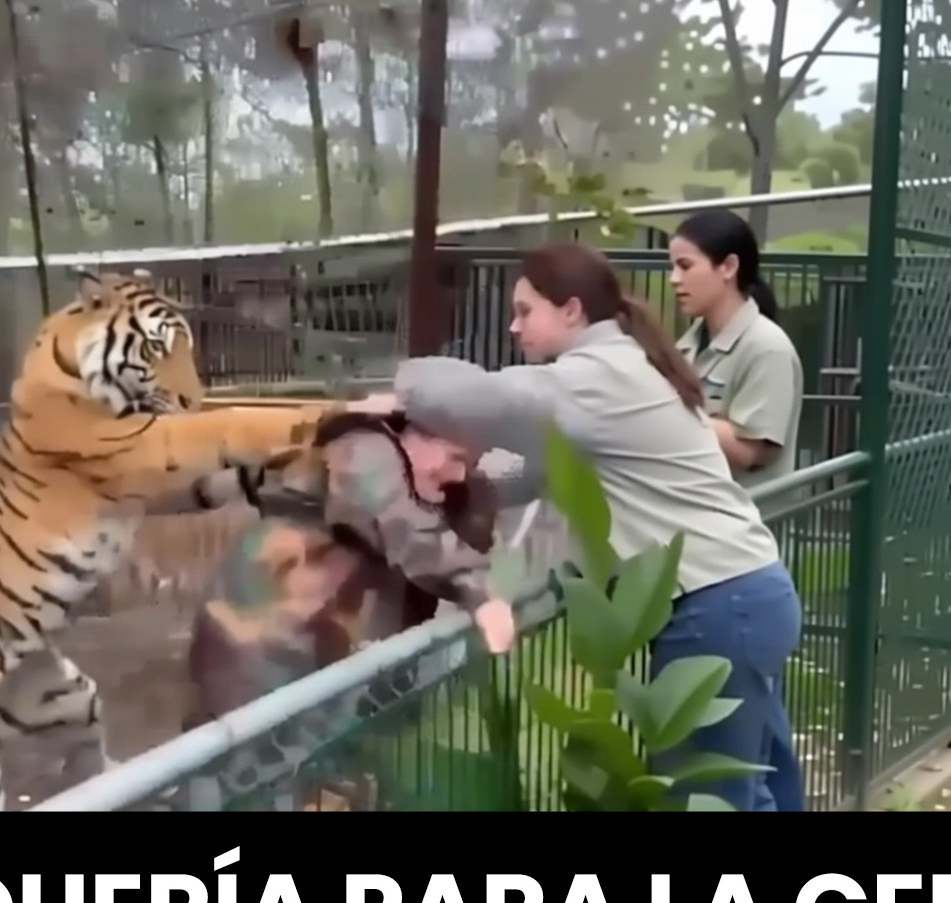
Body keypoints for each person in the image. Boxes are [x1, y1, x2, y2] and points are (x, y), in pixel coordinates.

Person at [360, 242, 806, 812]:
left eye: (525, 311)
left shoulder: (594, 377)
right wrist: (451, 478)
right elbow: (525, 475)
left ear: (571, 310)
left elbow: (470, 397)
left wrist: (390, 400)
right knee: (756, 789)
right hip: (746, 593)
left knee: (708, 799)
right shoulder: (624, 366)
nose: (513, 326)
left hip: (715, 604)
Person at [182, 410, 518, 728]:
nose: (457, 474)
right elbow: (409, 533)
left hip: (303, 652)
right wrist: (479, 594)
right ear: (416, 436)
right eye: (455, 457)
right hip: (262, 647)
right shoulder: (367, 456)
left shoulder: (399, 479)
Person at [668, 208, 805, 489]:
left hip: (746, 513)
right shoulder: (688, 344)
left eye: (685, 266)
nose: (674, 278)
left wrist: (662, 410)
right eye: (673, 267)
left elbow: (748, 452)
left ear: (729, 267)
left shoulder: (767, 348)